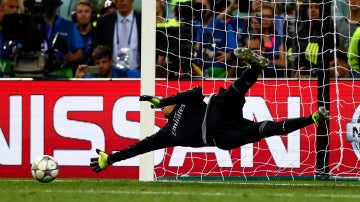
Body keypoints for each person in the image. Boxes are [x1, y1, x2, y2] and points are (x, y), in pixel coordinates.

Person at [90, 47, 330, 173]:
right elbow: (139, 147)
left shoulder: (187, 101)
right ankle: (313, 118)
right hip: (220, 137)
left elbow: (193, 91)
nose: (163, 108)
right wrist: (111, 158)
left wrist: (163, 100)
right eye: (162, 107)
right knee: (265, 129)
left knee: (232, 96)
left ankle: (255, 67)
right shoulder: (166, 134)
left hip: (217, 112)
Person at [94, 0, 141, 75]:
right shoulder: (103, 22)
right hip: (111, 77)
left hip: (139, 76)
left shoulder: (143, 20)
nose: (121, 1)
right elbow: (96, 51)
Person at [193, 0, 237, 78]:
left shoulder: (225, 26)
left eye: (203, 6)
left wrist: (229, 55)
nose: (200, 10)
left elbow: (234, 51)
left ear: (211, 7)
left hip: (220, 75)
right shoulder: (192, 26)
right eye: (198, 6)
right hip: (195, 74)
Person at [42, 0, 84, 78]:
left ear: (55, 7)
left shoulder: (69, 26)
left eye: (51, 6)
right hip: (39, 72)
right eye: (45, 6)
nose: (47, 9)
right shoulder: (36, 24)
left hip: (63, 74)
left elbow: (80, 53)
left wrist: (72, 57)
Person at [75, 45, 139, 78]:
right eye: (97, 63)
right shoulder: (91, 77)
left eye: (104, 62)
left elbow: (142, 77)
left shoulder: (122, 74)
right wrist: (77, 79)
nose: (100, 66)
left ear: (111, 62)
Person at [73, 0, 97, 65]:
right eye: (80, 12)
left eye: (86, 11)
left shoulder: (99, 34)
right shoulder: (70, 35)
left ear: (92, 15)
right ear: (75, 16)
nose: (83, 14)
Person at [0, 0, 19, 77]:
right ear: (1, 8)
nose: (15, 10)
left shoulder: (19, 32)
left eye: (17, 8)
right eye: (11, 7)